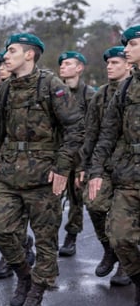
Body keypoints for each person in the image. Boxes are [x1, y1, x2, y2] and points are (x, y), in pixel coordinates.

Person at [0, 33, 84, 306]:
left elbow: (75, 128)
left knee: (46, 240)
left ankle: (37, 292)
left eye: (11, 51)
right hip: (9, 173)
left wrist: (63, 168)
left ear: (29, 55)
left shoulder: (51, 86)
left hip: (44, 176)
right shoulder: (3, 91)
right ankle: (24, 273)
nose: (6, 56)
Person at [89, 26, 140, 306]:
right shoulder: (126, 89)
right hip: (130, 176)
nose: (127, 50)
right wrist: (95, 171)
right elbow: (107, 133)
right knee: (120, 237)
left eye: (133, 44)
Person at [79, 46, 132, 287]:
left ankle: (124, 261)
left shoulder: (133, 90)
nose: (109, 67)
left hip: (129, 164)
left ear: (128, 65)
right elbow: (91, 132)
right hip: (105, 161)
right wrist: (85, 165)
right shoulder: (100, 95)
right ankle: (109, 249)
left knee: (126, 221)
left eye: (115, 63)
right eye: (108, 63)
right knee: (94, 202)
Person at [0, 51, 35, 280]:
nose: (2, 69)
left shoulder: (33, 89)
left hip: (27, 163)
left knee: (17, 212)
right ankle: (22, 245)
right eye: (0, 67)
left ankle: (11, 258)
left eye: (5, 65)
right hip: (3, 162)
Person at [57, 51, 96, 257]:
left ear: (79, 68)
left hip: (79, 155)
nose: (63, 67)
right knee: (50, 199)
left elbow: (92, 130)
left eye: (68, 63)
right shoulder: (55, 92)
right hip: (58, 154)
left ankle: (71, 236)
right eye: (61, 64)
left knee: (76, 199)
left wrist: (84, 164)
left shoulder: (90, 95)